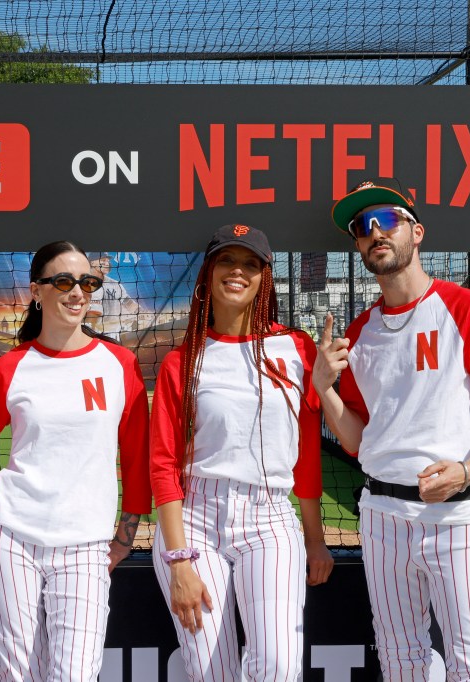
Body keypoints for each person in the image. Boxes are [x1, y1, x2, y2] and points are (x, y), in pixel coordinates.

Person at [315, 179, 470, 681]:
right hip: (383, 515)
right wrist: (324, 388)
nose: (374, 233)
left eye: (385, 220)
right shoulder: (360, 330)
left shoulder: (467, 307)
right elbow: (355, 439)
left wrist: (467, 468)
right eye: (362, 228)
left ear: (417, 232)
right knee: (400, 662)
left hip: (459, 512)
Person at [150, 224, 333, 681]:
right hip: (194, 519)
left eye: (251, 263)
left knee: (278, 666)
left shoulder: (297, 348)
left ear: (264, 277)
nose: (238, 271)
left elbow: (306, 452)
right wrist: (178, 561)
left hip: (269, 517)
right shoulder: (182, 360)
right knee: (212, 672)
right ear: (209, 273)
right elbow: (164, 466)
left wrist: (315, 539)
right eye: (227, 261)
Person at [0, 241, 151, 681]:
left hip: (86, 546)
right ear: (37, 291)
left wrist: (125, 536)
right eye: (64, 281)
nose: (78, 293)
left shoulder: (119, 363)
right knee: (19, 675)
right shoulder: (9, 368)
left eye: (87, 282)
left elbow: (137, 454)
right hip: (10, 542)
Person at [86, 252, 141, 340]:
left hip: (113, 335)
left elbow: (127, 302)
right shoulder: (84, 284)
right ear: (92, 263)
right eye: (103, 260)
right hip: (91, 334)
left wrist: (140, 312)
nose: (107, 263)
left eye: (108, 261)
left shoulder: (115, 284)